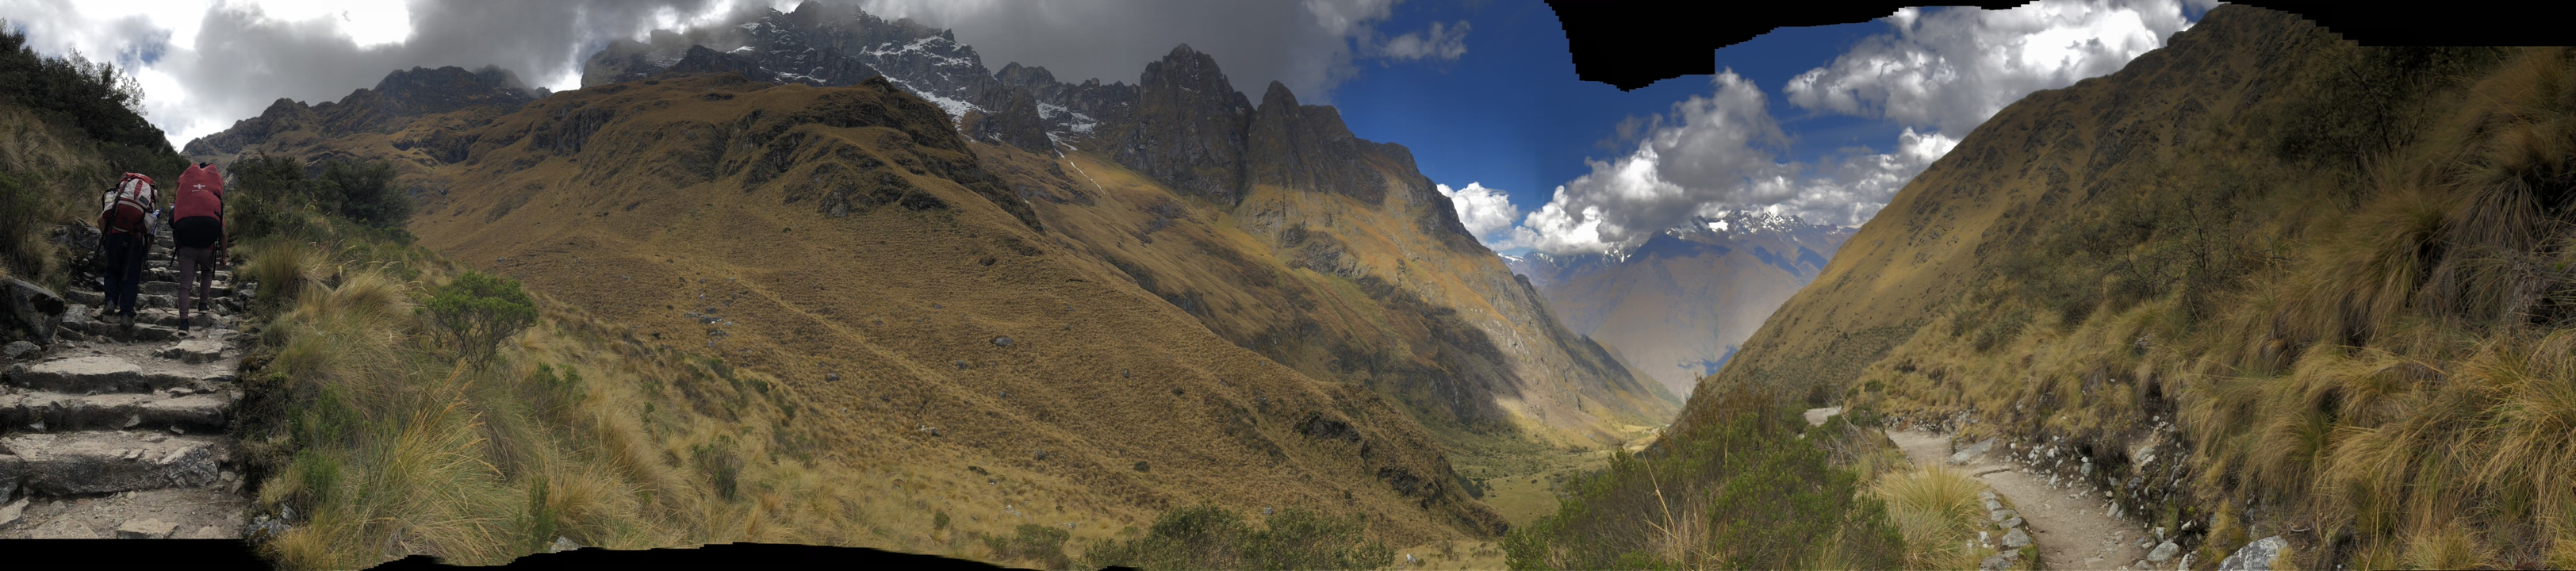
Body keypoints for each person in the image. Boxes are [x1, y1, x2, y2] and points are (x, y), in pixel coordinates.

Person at [171, 162, 227, 331]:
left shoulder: (186, 197)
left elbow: (175, 224)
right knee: (207, 272)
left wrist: (178, 248)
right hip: (207, 248)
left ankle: (183, 322)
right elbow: (223, 233)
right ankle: (203, 304)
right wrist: (224, 256)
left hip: (186, 248)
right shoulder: (214, 201)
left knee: (185, 284)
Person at [98, 172, 158, 327]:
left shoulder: (119, 193)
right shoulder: (148, 201)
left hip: (115, 235)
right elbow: (150, 233)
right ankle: (126, 315)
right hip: (135, 242)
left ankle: (110, 301)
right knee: (131, 278)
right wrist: (145, 254)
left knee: (112, 271)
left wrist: (107, 239)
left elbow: (101, 218)